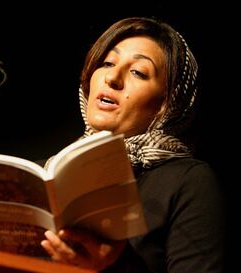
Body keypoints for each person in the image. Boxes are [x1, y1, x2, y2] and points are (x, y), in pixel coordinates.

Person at [40, 17, 225, 273]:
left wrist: (116, 264)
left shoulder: (187, 181)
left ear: (167, 104)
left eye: (138, 72)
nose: (113, 78)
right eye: (107, 63)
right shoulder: (46, 173)